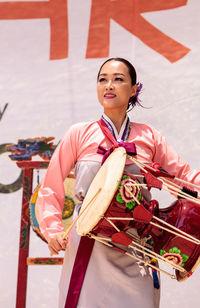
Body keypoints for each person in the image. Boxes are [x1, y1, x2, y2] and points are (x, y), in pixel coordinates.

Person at [37, 58, 200, 308]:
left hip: (136, 244)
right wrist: (53, 229)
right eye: (102, 79)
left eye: (118, 79)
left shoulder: (149, 136)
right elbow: (51, 186)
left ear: (134, 89)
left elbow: (184, 177)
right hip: (89, 244)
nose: (109, 85)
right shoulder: (79, 133)